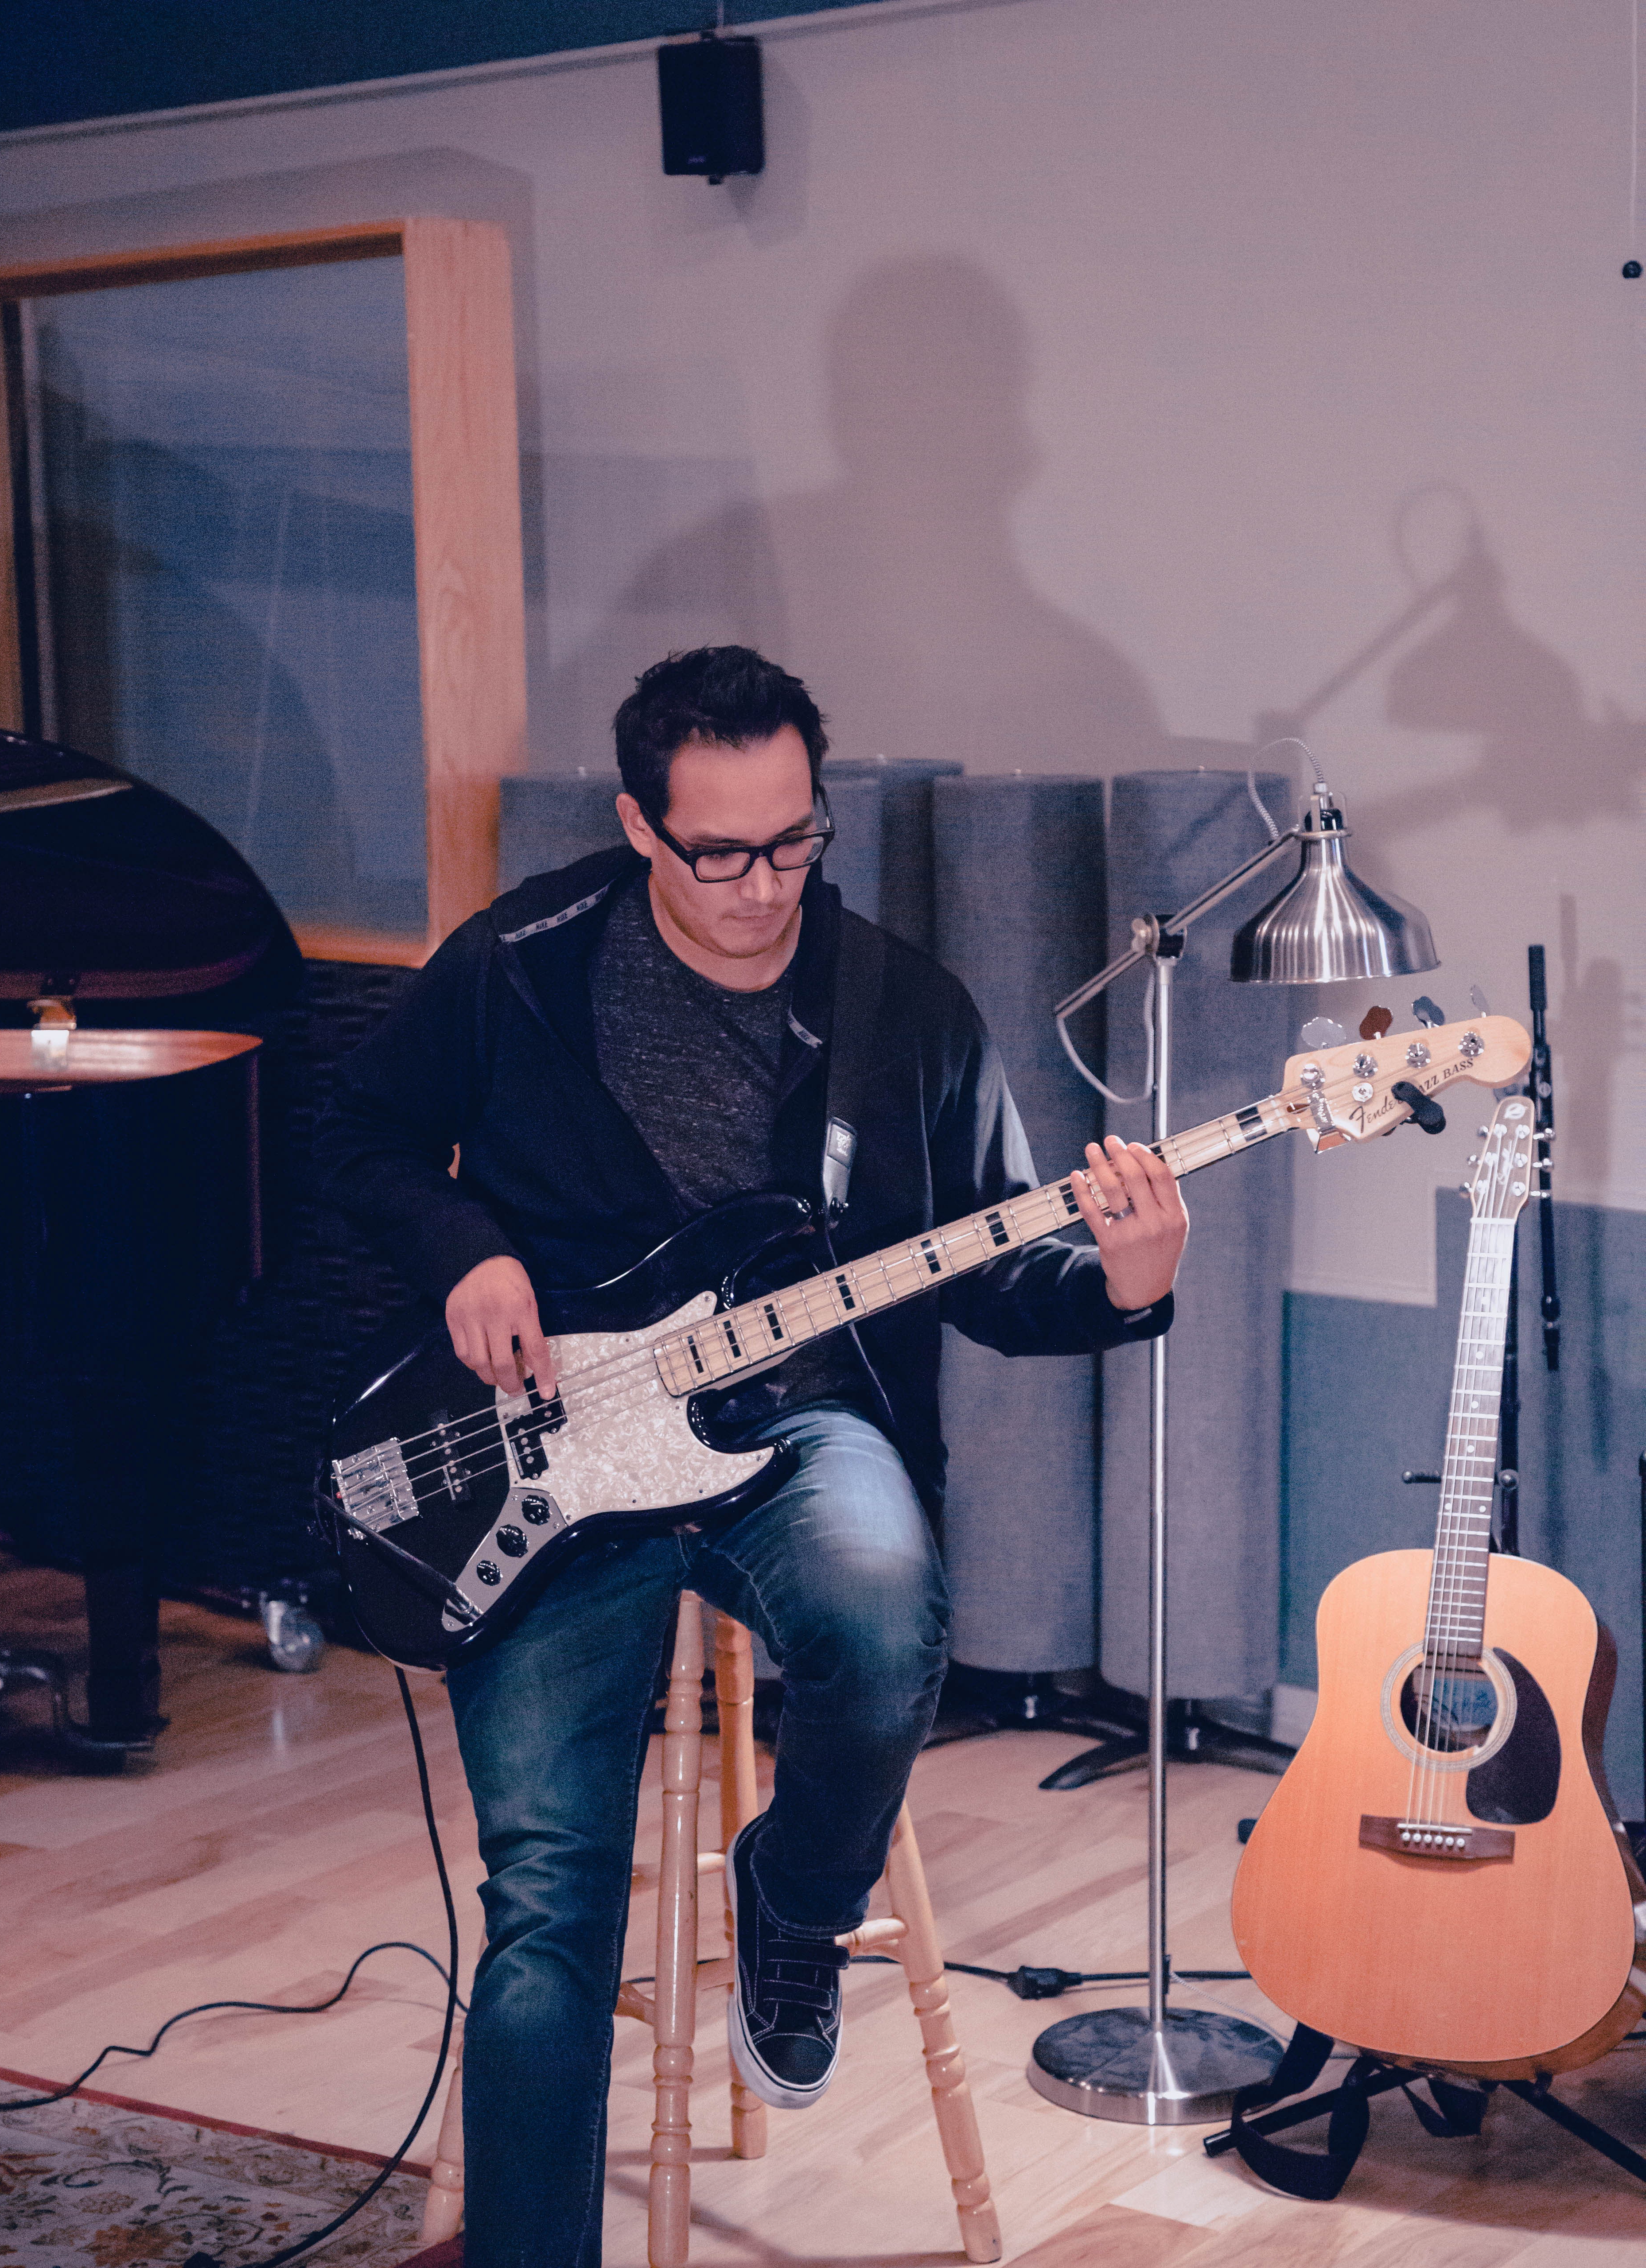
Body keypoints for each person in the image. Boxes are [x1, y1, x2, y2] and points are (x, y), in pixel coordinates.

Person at [315, 646, 1186, 2268]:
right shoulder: (519, 965)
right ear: (640, 825)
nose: (763, 886)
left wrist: (1126, 1283)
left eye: (795, 842)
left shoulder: (906, 1011)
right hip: (551, 1448)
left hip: (795, 1422)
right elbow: (356, 1134)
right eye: (719, 852)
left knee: (885, 1610)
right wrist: (464, 1250)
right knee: (548, 1910)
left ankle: (794, 1902)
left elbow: (993, 1268)